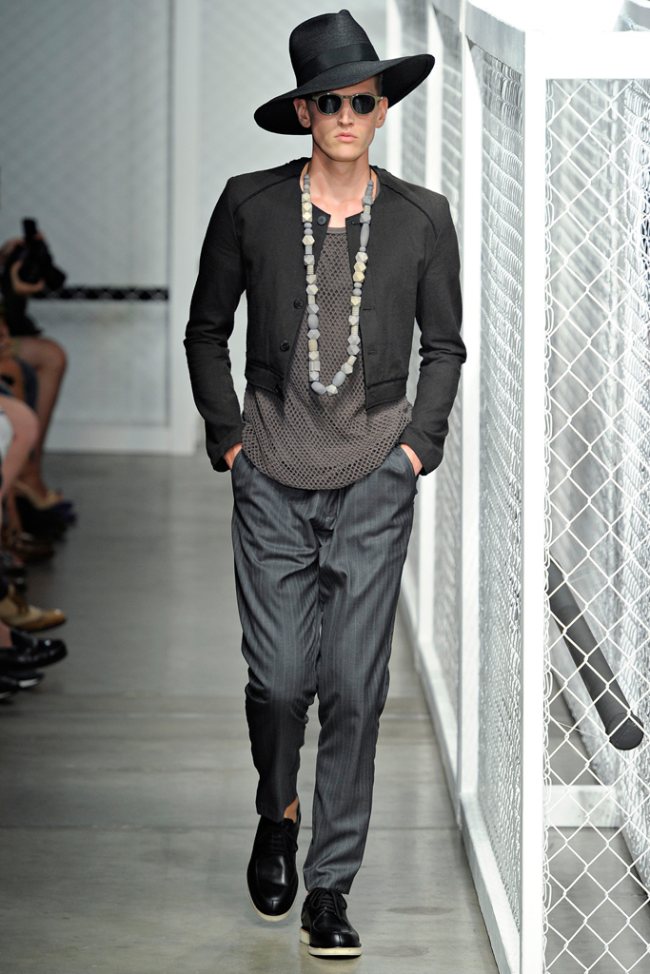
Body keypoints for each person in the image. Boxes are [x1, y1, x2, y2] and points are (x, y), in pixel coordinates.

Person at [185, 9, 465, 958]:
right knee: (278, 682)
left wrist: (415, 449)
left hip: (374, 479)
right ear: (304, 111)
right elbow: (207, 329)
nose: (347, 116)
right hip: (269, 471)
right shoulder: (251, 205)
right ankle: (279, 810)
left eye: (363, 101)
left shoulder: (421, 216)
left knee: (354, 685)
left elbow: (444, 346)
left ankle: (330, 888)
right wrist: (230, 440)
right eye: (330, 101)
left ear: (383, 110)